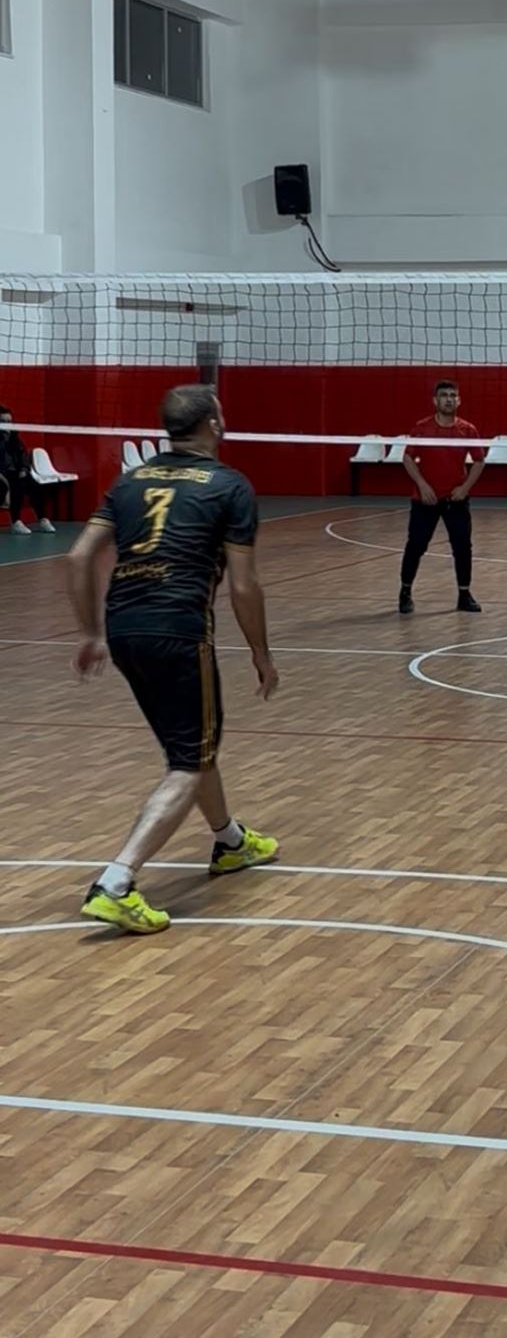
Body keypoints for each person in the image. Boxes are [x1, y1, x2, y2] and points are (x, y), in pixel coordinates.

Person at [66, 384, 279, 937]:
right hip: (178, 630)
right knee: (188, 762)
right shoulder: (230, 485)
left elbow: (80, 555)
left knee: (191, 745)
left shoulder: (129, 480)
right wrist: (261, 652)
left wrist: (90, 633)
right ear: (214, 423)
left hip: (124, 629)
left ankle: (230, 842)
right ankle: (117, 882)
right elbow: (244, 585)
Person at [399, 379, 485, 615]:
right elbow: (407, 458)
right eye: (444, 395)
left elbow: (479, 461)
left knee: (462, 547)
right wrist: (422, 484)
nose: (448, 399)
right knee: (416, 545)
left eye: (452, 395)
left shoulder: (468, 430)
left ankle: (464, 595)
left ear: (459, 400)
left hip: (455, 500)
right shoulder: (421, 428)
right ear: (435, 400)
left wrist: (465, 488)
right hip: (425, 500)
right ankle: (405, 593)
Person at [0, 407, 55, 534]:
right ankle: (16, 522)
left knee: (35, 487)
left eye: (9, 422)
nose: (7, 425)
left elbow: (22, 454)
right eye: (3, 421)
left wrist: (24, 469)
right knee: (17, 487)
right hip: (2, 473)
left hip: (17, 471)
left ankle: (42, 519)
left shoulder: (15, 438)